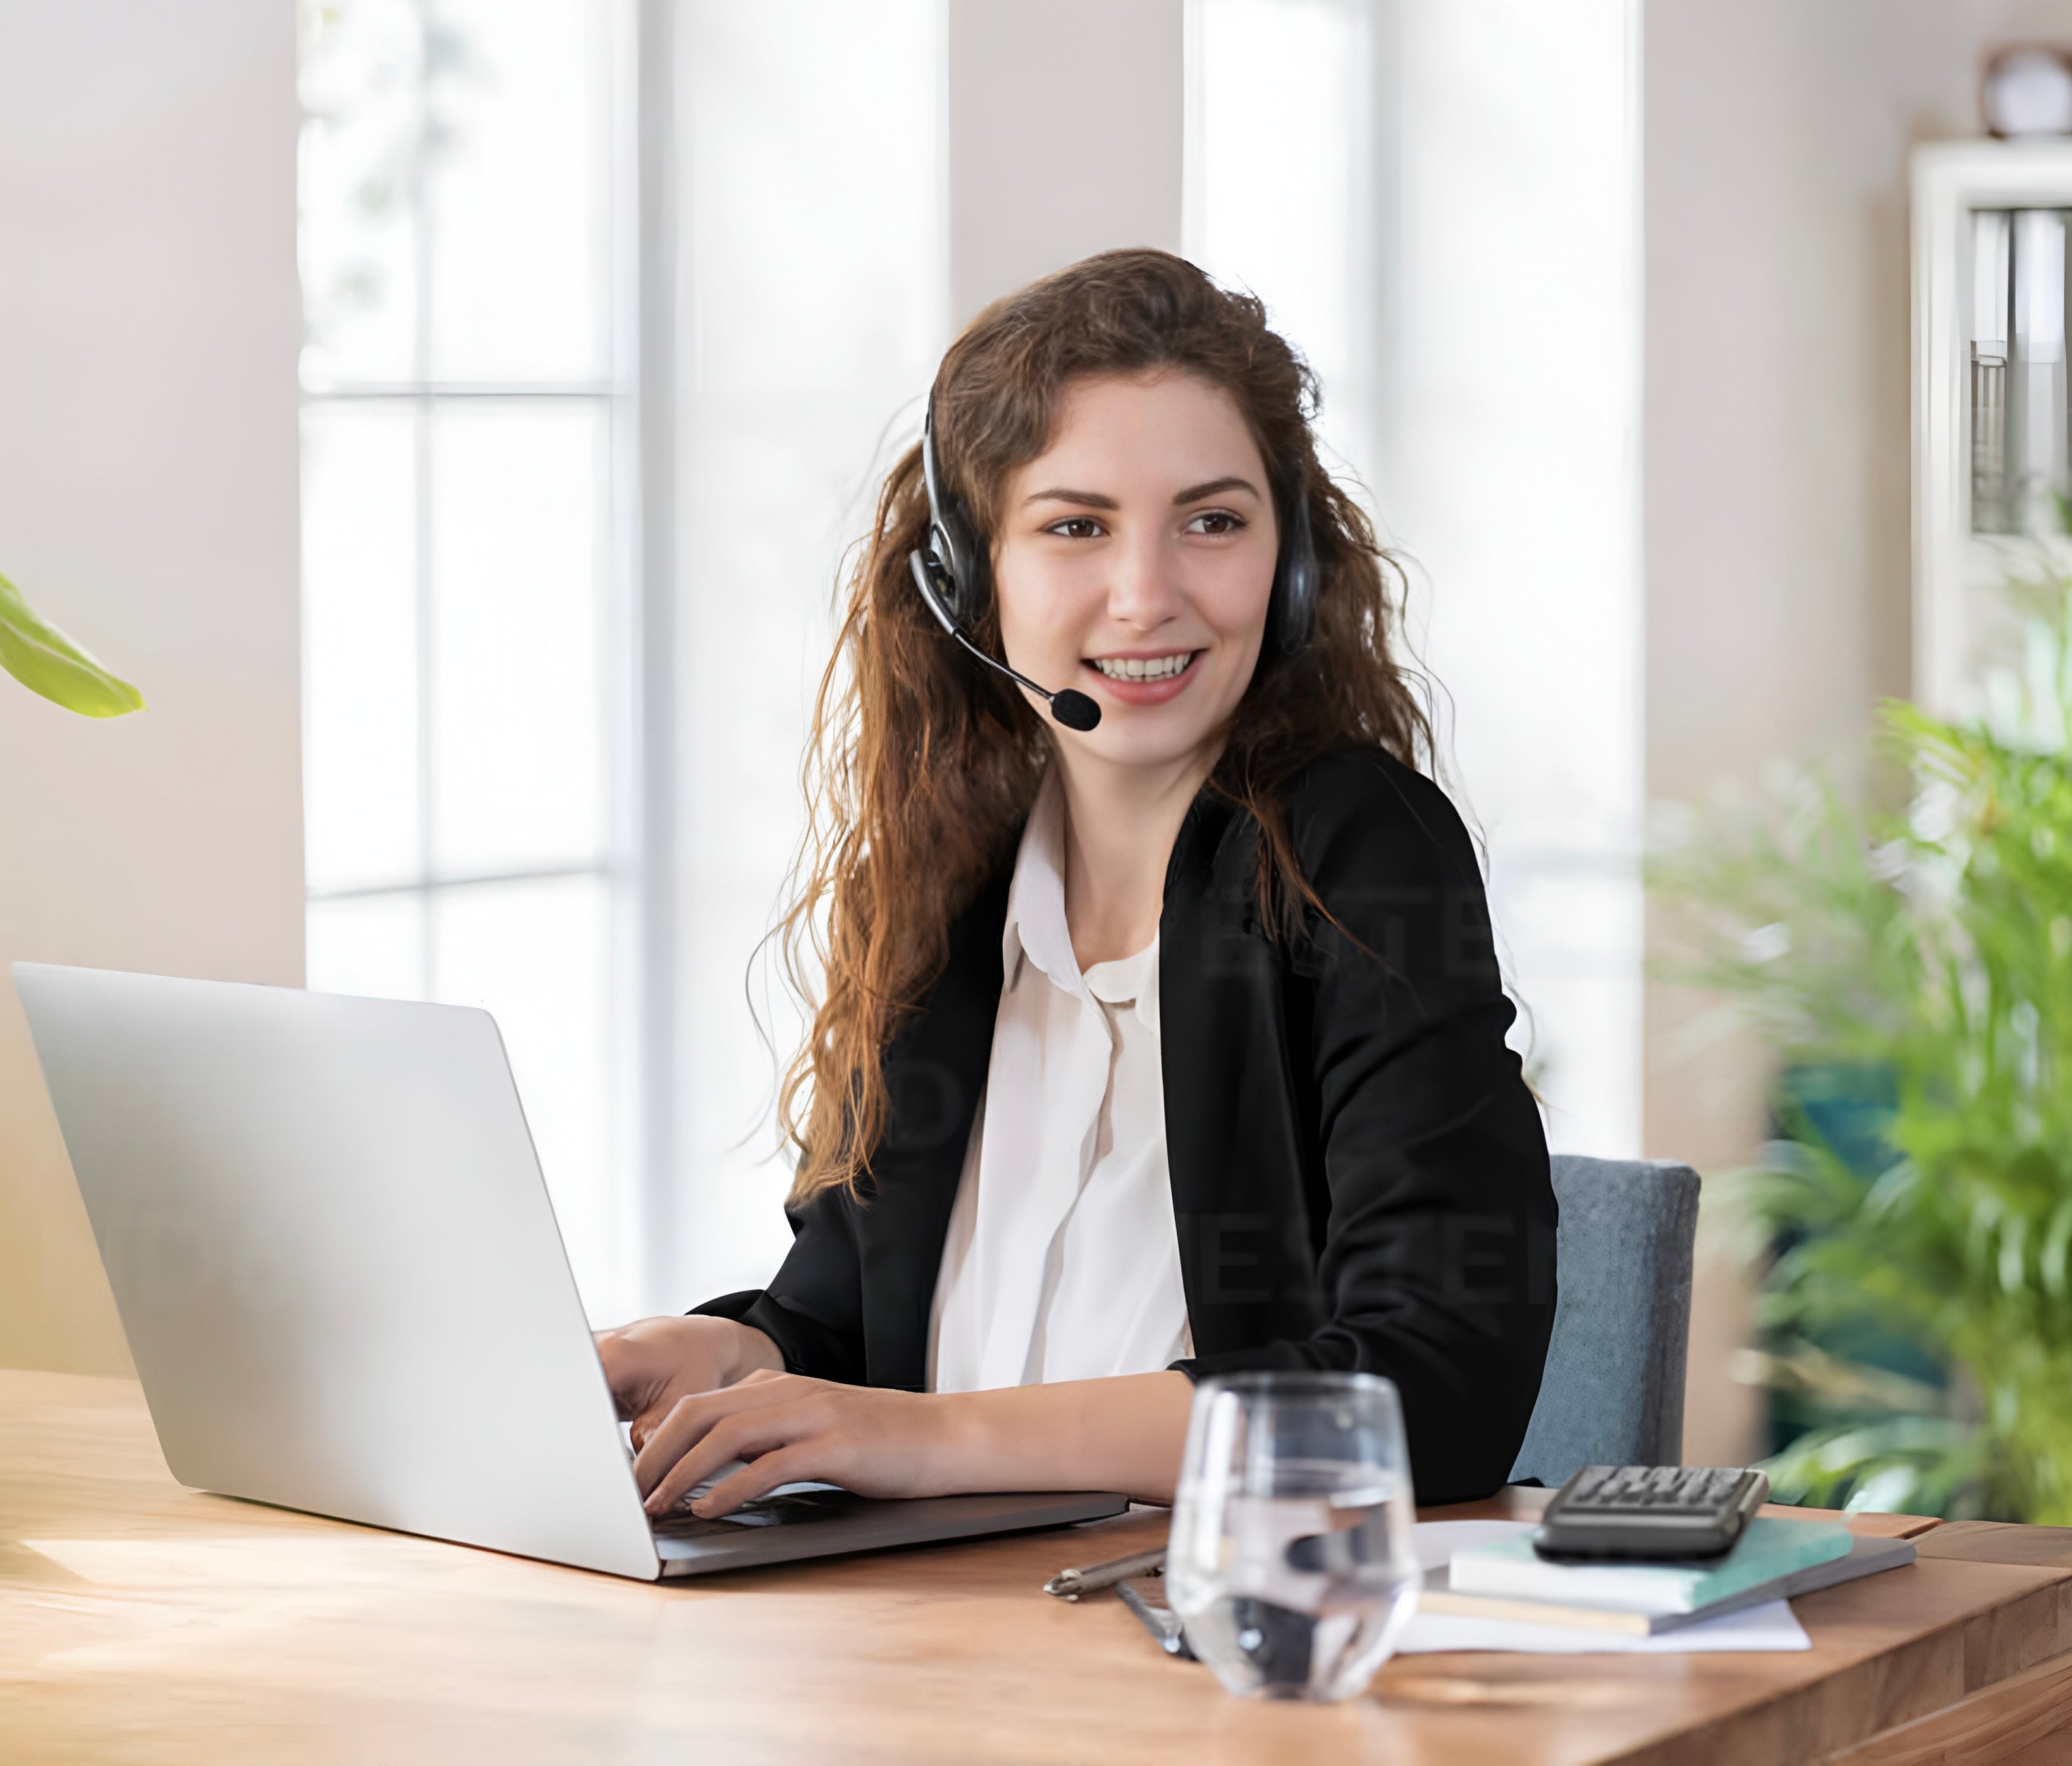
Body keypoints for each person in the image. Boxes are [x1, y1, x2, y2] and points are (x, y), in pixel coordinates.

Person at [598, 248, 1555, 1519]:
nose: (1147, 596)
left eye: (1212, 521)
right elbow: (855, 1326)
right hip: (935, 1657)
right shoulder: (941, 887)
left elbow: (1431, 1392)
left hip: (1231, 1661)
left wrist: (929, 1442)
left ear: (1295, 562)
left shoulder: (1354, 854)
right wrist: (745, 1357)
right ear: (966, 579)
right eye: (1074, 526)